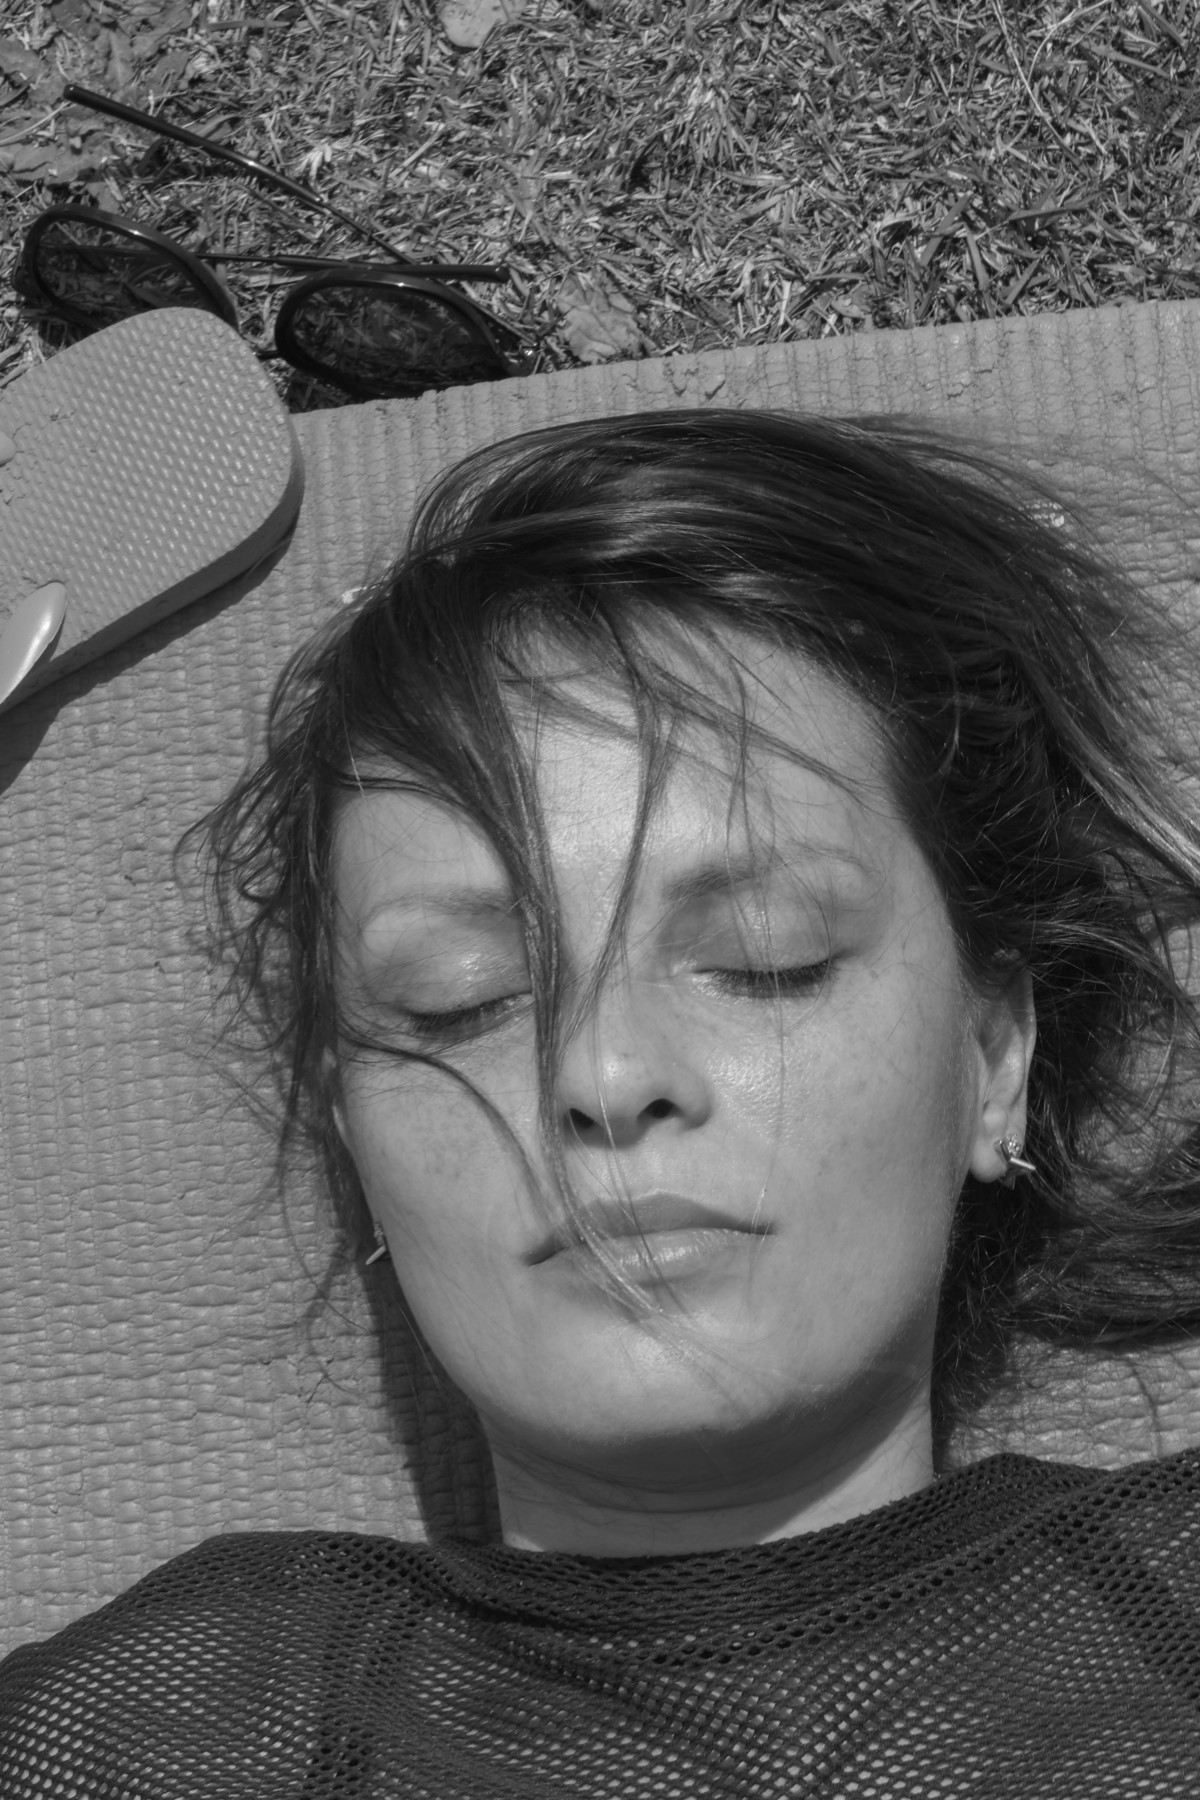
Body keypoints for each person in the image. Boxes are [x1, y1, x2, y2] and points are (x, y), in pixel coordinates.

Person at [2, 409, 1200, 1793]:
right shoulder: (155, 1741)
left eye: (763, 959)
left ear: (994, 1057)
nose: (604, 1075)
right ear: (354, 1136)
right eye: (458, 1000)